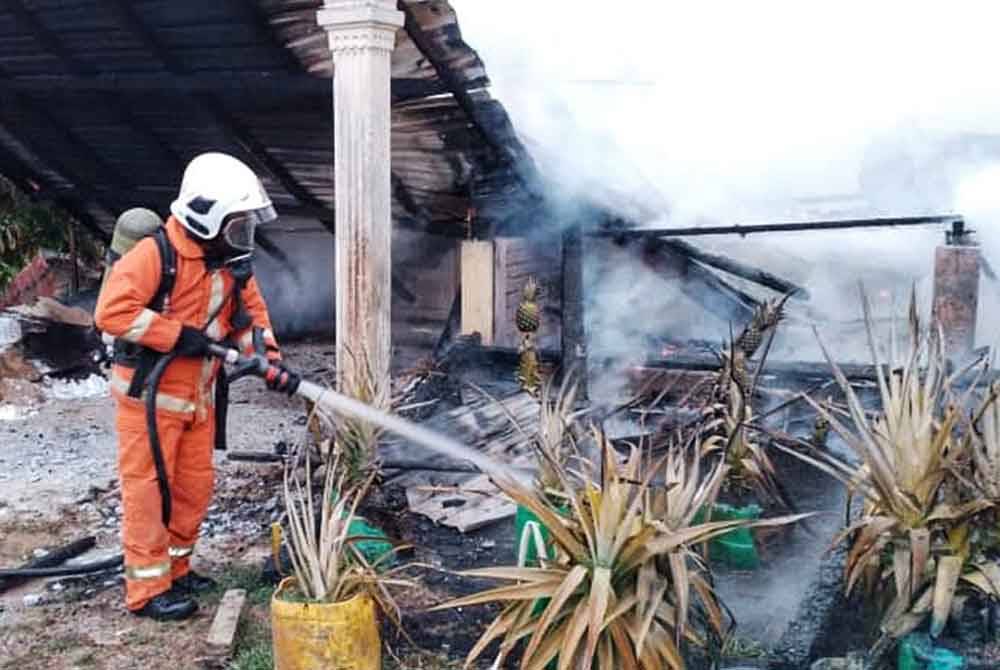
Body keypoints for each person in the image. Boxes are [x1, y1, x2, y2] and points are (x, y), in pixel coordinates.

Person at [95, 153, 296, 621]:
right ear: (206, 217)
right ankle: (146, 592)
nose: (242, 235)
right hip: (149, 398)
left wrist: (269, 362)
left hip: (198, 398)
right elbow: (112, 312)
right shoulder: (155, 255)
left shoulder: (231, 263)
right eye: (236, 224)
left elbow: (251, 319)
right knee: (149, 492)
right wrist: (176, 335)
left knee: (193, 487)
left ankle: (177, 570)